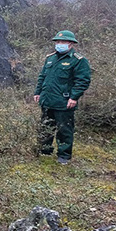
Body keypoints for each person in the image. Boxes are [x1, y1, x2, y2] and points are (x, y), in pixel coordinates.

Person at [34, 30, 92, 164]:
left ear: (70, 44)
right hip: (47, 100)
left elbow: (82, 81)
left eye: (63, 42)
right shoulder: (50, 58)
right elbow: (42, 76)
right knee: (45, 126)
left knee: (64, 129)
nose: (59, 44)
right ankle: (45, 150)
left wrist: (74, 97)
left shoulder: (78, 60)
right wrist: (37, 92)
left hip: (64, 101)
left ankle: (64, 155)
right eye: (58, 42)